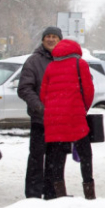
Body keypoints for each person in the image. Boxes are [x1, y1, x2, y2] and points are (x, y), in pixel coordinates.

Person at [40, 39, 96, 199]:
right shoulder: (81, 64)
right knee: (85, 154)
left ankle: (60, 194)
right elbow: (88, 91)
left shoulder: (51, 66)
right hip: (75, 116)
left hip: (54, 118)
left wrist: (54, 109)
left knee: (57, 157)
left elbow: (43, 94)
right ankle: (89, 192)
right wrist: (82, 108)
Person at [17, 26, 62, 199]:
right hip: (40, 120)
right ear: (43, 40)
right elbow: (24, 88)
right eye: (47, 37)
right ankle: (33, 195)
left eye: (54, 37)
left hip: (59, 121)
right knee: (36, 158)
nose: (51, 39)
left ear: (60, 40)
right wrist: (40, 107)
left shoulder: (64, 60)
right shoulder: (33, 61)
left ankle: (52, 193)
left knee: (55, 159)